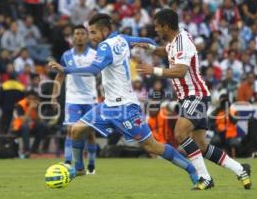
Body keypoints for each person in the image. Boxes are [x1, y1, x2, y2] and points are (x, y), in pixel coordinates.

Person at [49, 13, 200, 188]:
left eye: (93, 32)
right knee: (76, 130)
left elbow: (93, 70)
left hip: (125, 108)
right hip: (108, 105)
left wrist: (65, 69)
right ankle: (79, 169)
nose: (91, 37)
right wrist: (149, 47)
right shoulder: (122, 38)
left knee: (152, 147)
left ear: (105, 30)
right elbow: (148, 41)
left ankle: (192, 170)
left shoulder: (106, 46)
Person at [135, 9, 251, 190]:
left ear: (165, 26)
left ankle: (205, 178)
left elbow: (180, 70)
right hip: (189, 98)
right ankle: (240, 169)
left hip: (196, 95)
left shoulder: (183, 42)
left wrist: (154, 70)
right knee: (202, 146)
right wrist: (149, 48)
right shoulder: (175, 41)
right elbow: (166, 52)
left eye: (157, 26)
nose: (155, 30)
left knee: (180, 133)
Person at [51, 25, 98, 175]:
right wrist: (54, 96)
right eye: (76, 34)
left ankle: (91, 163)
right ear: (72, 37)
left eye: (82, 34)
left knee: (89, 133)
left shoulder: (94, 55)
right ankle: (68, 162)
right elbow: (60, 76)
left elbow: (101, 74)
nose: (79, 36)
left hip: (90, 99)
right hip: (73, 98)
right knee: (71, 130)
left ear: (87, 36)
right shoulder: (66, 56)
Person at [11, 90, 47, 158]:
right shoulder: (20, 105)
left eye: (34, 99)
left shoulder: (36, 106)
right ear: (26, 98)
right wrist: (30, 108)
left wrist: (36, 109)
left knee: (42, 126)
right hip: (18, 127)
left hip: (31, 126)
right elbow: (23, 120)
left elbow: (37, 120)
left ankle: (34, 148)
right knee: (25, 127)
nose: (32, 100)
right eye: (30, 98)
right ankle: (26, 150)